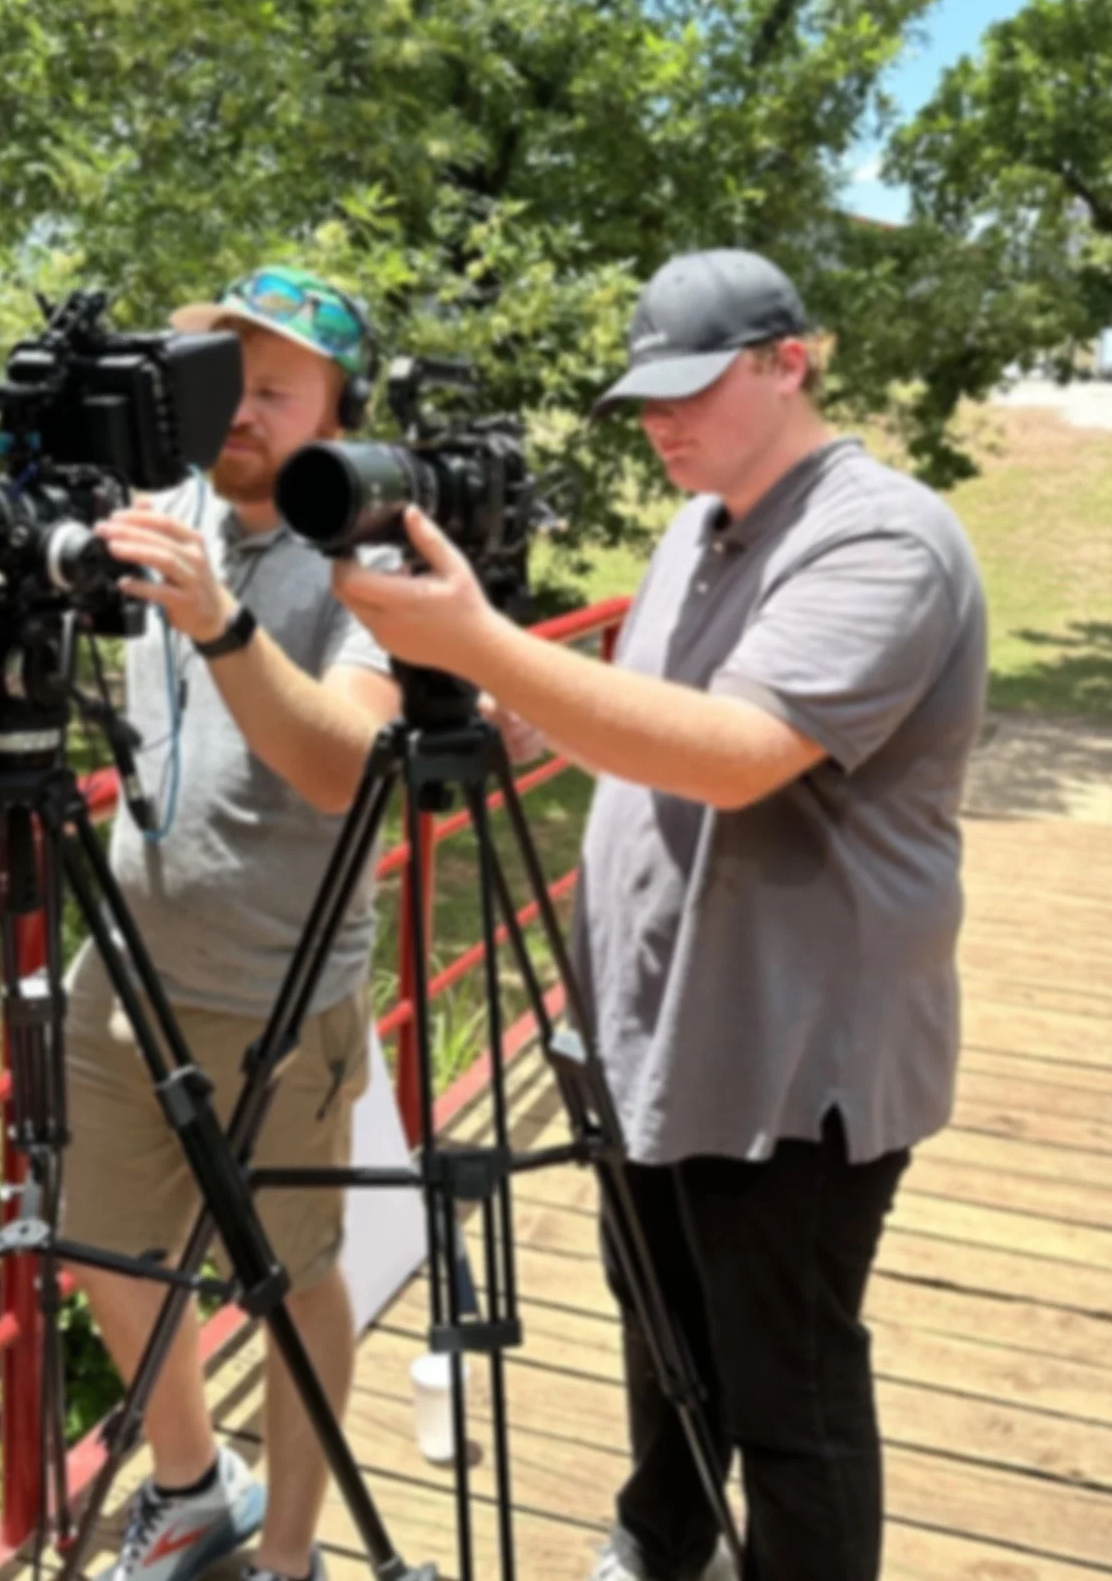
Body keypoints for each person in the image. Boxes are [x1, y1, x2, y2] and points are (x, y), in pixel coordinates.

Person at [331, 249, 987, 1581]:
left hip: (796, 1050)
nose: (660, 421)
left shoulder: (883, 536)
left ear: (790, 360)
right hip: (655, 1022)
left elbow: (738, 750)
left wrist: (481, 641)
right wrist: (499, 704)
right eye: (644, 397)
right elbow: (643, 710)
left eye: (691, 389)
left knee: (786, 1385)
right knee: (663, 1328)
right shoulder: (698, 522)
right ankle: (662, 1536)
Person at [63, 265, 402, 1581]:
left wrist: (221, 617)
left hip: (281, 991)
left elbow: (344, 767)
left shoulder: (368, 541)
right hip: (124, 974)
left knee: (296, 1276)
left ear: (335, 406)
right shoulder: (168, 501)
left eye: (274, 388)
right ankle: (197, 1485)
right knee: (98, 1232)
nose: (240, 411)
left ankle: (293, 1556)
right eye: (225, 382)